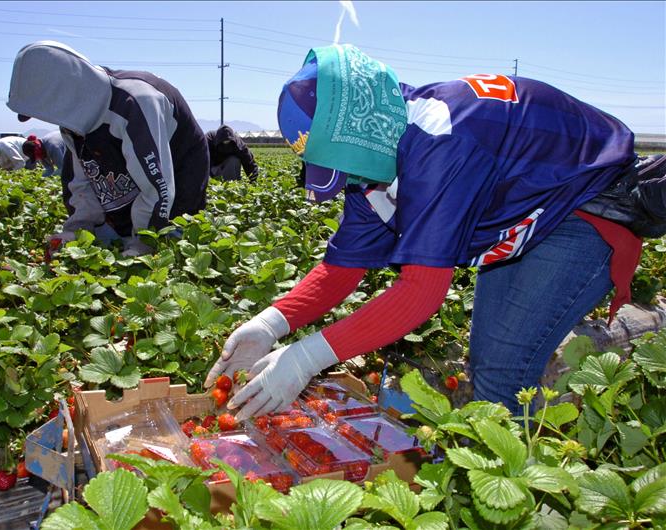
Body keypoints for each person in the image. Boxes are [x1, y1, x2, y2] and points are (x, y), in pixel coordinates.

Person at [207, 44, 655, 420]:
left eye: (343, 161)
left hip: (584, 208)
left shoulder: (442, 138)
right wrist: (268, 325)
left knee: (502, 370)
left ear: (366, 133)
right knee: (489, 360)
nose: (345, 178)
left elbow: (421, 294)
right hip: (520, 214)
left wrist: (305, 359)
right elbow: (344, 269)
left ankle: (513, 471)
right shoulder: (375, 162)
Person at [6, 41, 210, 257]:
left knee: (170, 237)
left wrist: (144, 243)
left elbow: (157, 185)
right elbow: (82, 181)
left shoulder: (137, 101)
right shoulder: (72, 122)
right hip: (143, 170)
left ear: (64, 96)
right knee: (119, 222)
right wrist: (78, 229)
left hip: (180, 168)